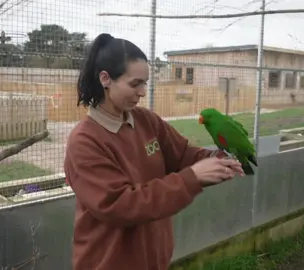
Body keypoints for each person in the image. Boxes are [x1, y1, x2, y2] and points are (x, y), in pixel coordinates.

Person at [64, 33, 245, 270]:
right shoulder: (85, 141)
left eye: (145, 83)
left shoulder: (146, 121)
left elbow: (182, 155)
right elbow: (120, 204)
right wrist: (193, 177)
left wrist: (215, 159)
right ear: (106, 79)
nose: (142, 91)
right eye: (134, 83)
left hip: (154, 260)